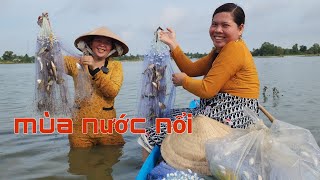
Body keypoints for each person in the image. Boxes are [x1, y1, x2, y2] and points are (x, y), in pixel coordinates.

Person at [138, 3, 260, 157]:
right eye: (214, 24)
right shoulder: (220, 50)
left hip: (229, 117)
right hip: (214, 111)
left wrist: (184, 81)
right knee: (167, 116)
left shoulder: (234, 49)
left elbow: (207, 90)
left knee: (151, 131)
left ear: (240, 28)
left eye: (225, 25)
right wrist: (172, 44)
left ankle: (144, 169)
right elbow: (192, 69)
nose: (218, 30)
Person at [64, 27, 129, 148]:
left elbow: (112, 92)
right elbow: (51, 62)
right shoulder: (75, 62)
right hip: (80, 128)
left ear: (112, 48)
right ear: (90, 43)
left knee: (111, 160)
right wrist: (46, 34)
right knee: (79, 164)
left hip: (107, 127)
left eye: (107, 43)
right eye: (98, 40)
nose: (102, 45)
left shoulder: (116, 66)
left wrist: (95, 69)